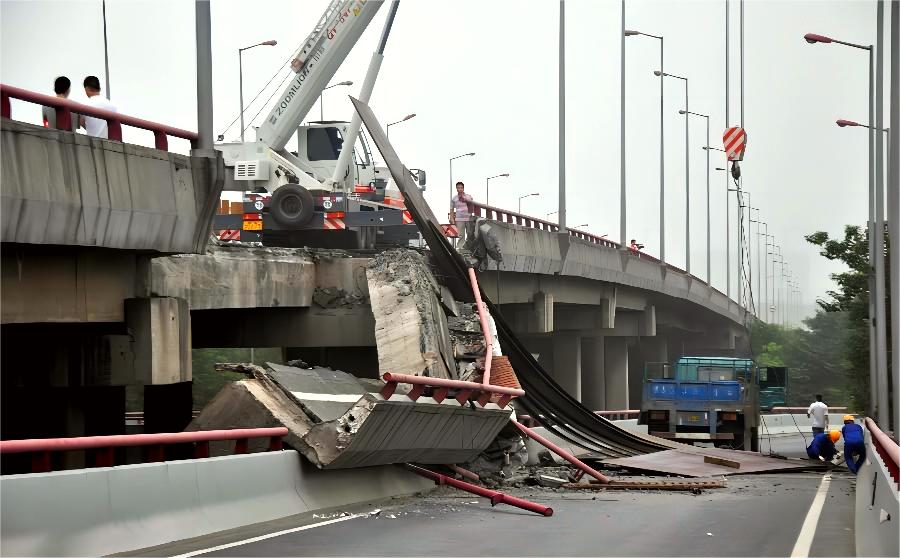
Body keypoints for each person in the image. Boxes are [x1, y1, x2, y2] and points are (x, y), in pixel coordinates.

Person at [450, 181, 475, 246]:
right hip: (459, 219)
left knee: (470, 234)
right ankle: (460, 249)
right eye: (458, 188)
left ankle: (470, 248)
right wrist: (452, 218)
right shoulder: (454, 198)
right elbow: (451, 209)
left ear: (463, 188)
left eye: (461, 188)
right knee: (461, 235)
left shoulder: (469, 197)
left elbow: (473, 206)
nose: (460, 189)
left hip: (468, 218)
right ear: (456, 189)